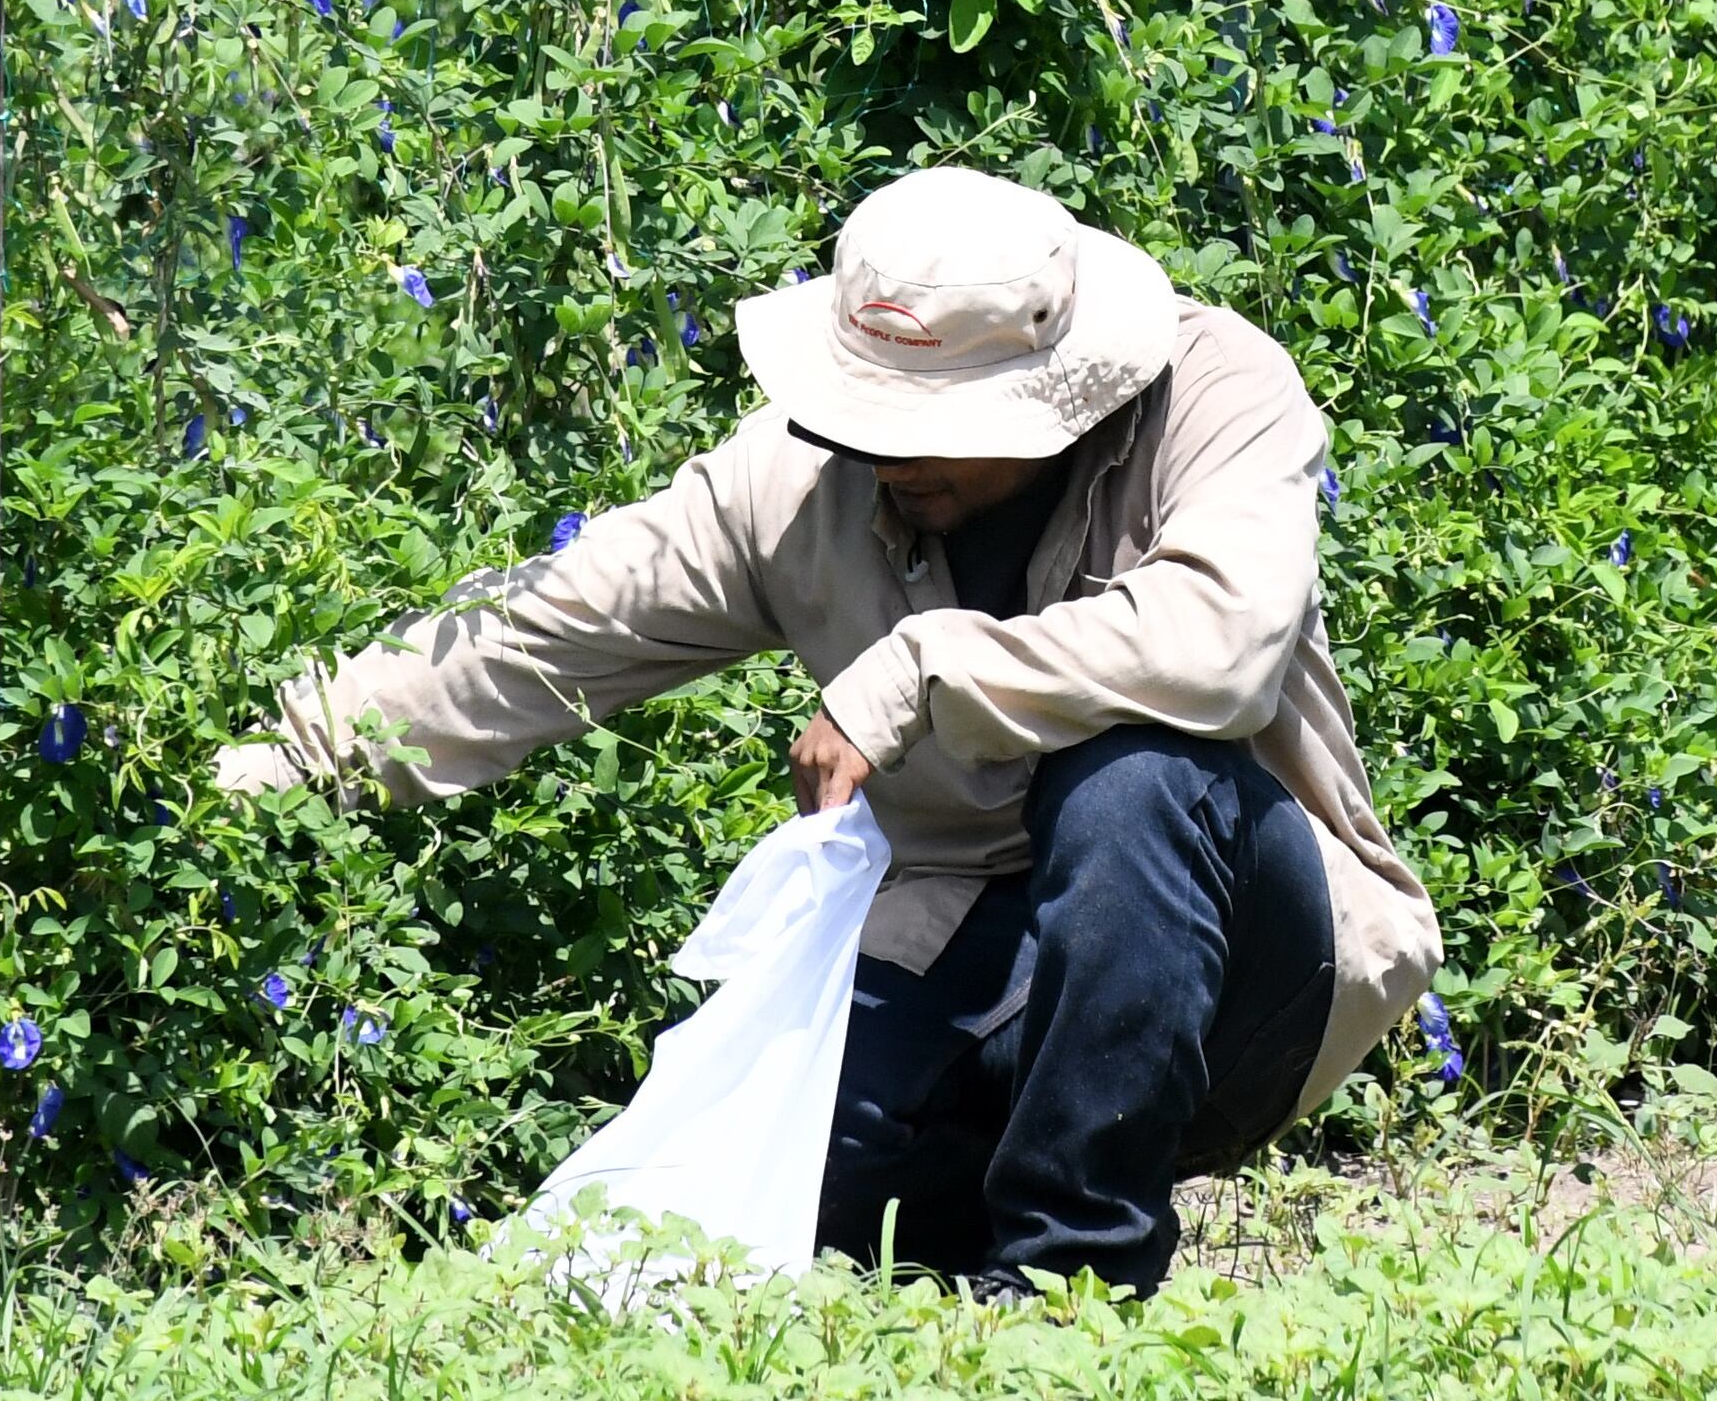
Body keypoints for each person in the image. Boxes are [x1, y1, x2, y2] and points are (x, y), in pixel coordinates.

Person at [213, 165, 1439, 1293]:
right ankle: (966, 1252)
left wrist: (919, 665)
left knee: (1135, 774)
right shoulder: (802, 481)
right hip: (970, 948)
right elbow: (540, 636)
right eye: (868, 410)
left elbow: (1219, 646)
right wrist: (260, 774)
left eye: (931, 419)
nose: (885, 448)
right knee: (784, 1202)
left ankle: (1073, 1284)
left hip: (1250, 958)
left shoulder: (1211, 390)